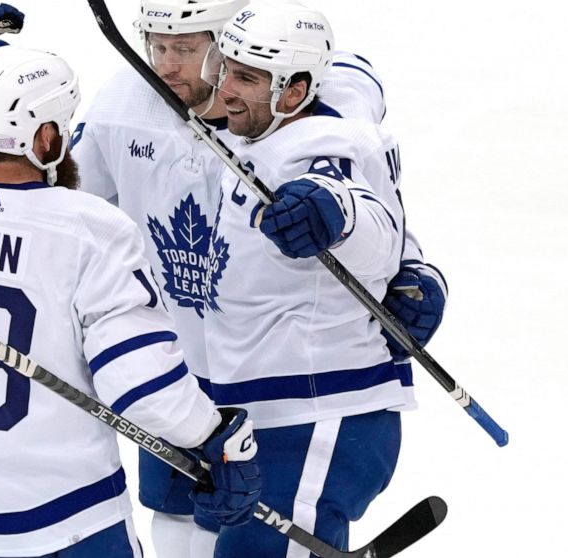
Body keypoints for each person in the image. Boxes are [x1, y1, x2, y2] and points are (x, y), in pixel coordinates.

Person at [0, 5, 261, 557]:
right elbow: (142, 387)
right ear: (48, 134)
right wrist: (214, 437)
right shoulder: (92, 231)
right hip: (66, 521)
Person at [71, 0, 446, 556]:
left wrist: (411, 266)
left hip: (293, 384)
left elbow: (354, 191)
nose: (166, 65)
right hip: (183, 381)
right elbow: (59, 215)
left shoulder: (323, 103)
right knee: (178, 525)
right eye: (158, 45)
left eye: (187, 48)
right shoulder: (122, 105)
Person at [195, 0, 421, 554]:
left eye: (245, 78)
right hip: (269, 416)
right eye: (224, 68)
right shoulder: (270, 123)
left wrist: (334, 212)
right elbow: (354, 75)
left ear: (294, 92)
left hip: (320, 415)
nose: (224, 89)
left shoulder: (313, 148)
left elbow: (367, 226)